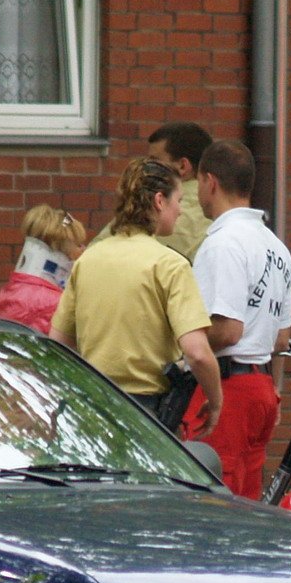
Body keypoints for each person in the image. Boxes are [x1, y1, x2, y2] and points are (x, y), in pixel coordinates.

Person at [50, 157, 223, 436]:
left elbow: (59, 342)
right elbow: (198, 353)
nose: (180, 210)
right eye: (178, 200)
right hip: (146, 416)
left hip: (91, 408)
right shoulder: (170, 265)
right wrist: (215, 402)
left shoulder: (89, 259)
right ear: (159, 201)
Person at [181, 140, 291, 499]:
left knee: (213, 498)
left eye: (197, 182)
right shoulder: (276, 246)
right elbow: (280, 339)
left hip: (226, 388)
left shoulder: (222, 243)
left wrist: (179, 334)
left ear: (210, 181)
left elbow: (228, 330)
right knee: (246, 503)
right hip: (259, 387)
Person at [89, 121, 213, 261]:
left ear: (182, 166)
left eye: (155, 161)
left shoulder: (148, 206)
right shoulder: (216, 213)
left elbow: (93, 253)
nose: (148, 167)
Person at [0, 204, 87, 334]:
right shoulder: (55, 303)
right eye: (78, 245)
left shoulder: (7, 292)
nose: (84, 249)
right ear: (62, 251)